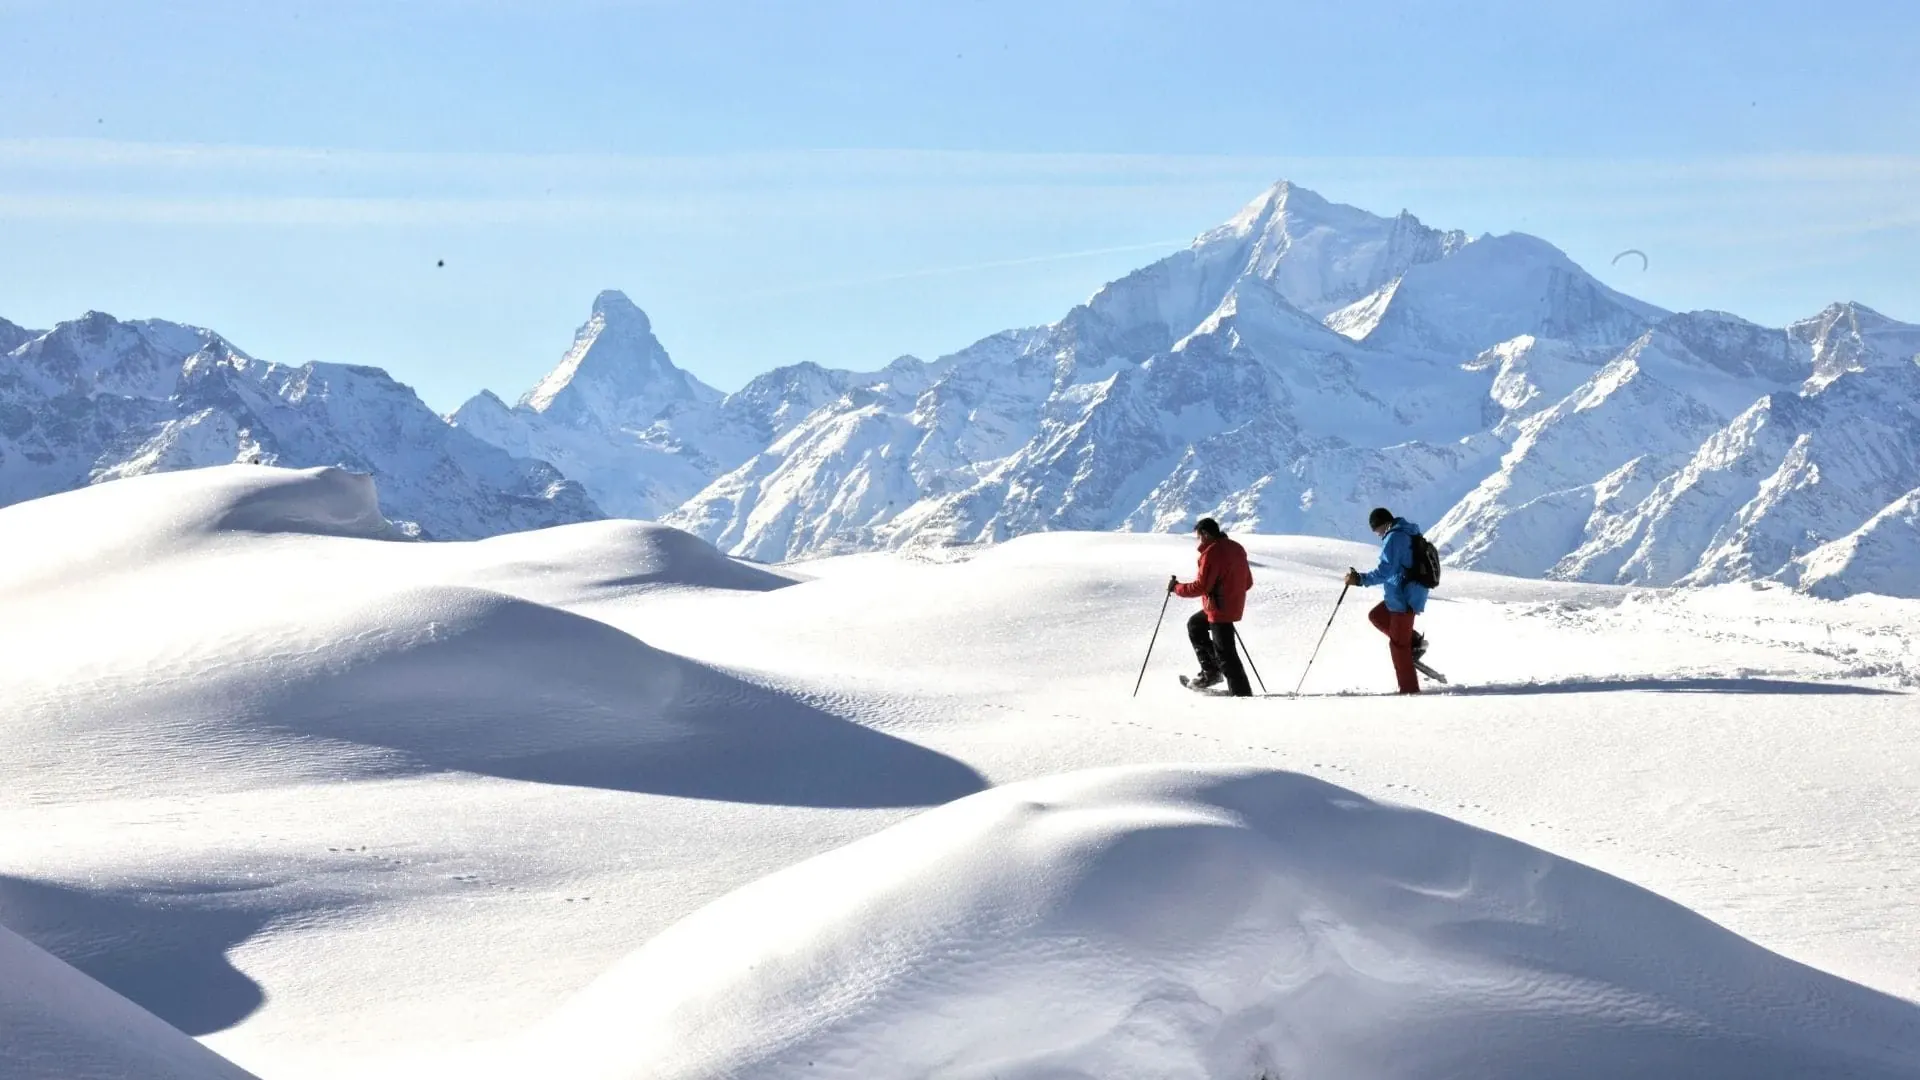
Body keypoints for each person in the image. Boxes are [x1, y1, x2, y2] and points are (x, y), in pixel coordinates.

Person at [1343, 507, 1430, 695]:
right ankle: (1413, 642)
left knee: (1398, 647)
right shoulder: (1406, 532)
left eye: (1377, 530)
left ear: (1384, 524)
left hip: (1404, 598)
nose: (1378, 534)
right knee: (1377, 615)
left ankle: (1409, 690)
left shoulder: (1395, 537)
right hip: (1404, 594)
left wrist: (1360, 580)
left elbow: (1386, 571)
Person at [1169, 517, 1254, 696]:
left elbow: (1201, 587)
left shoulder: (1212, 553)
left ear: (1206, 534)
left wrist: (1177, 588)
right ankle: (1212, 671)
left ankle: (1241, 694)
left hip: (1219, 608)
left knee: (1226, 654)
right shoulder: (1236, 548)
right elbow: (1248, 582)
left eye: (1199, 537)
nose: (1199, 541)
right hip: (1231, 604)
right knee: (1195, 625)